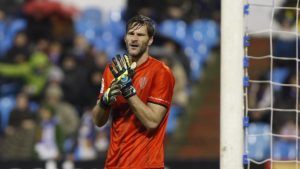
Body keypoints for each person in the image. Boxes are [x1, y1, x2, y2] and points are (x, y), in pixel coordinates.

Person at [92, 15, 175, 168]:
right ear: (125, 38)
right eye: (131, 34)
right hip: (114, 163)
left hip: (146, 164)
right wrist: (105, 101)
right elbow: (98, 121)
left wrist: (127, 89)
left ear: (150, 40)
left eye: (140, 35)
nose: (134, 39)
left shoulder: (161, 72)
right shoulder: (113, 70)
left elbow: (152, 121)